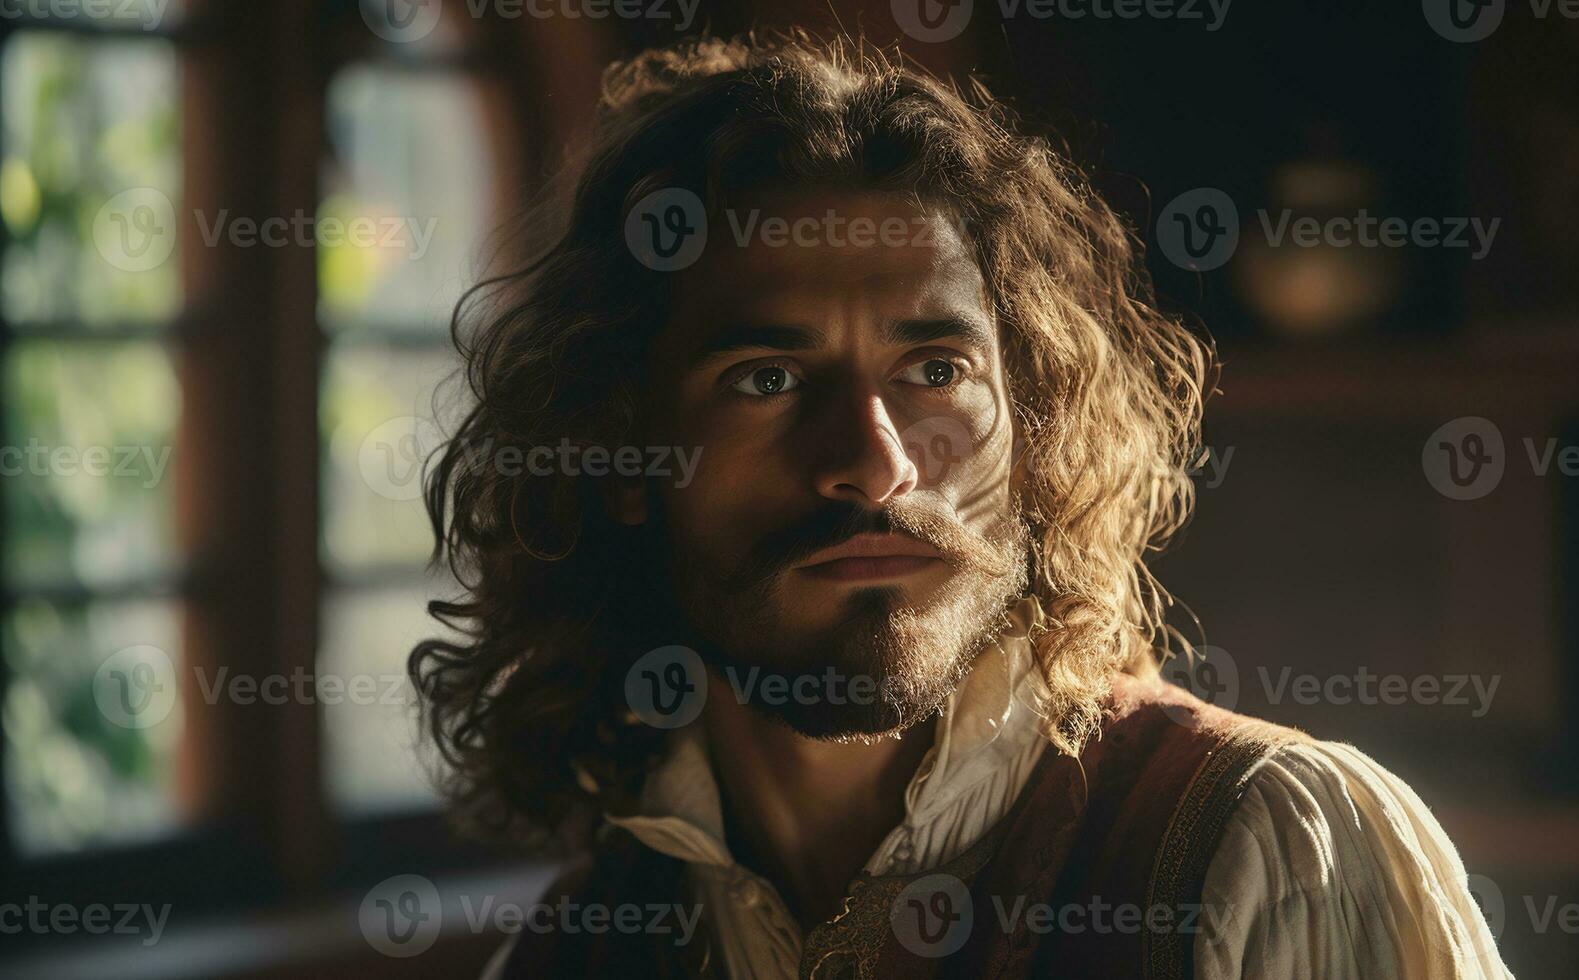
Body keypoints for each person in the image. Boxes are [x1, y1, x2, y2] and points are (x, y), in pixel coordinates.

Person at [410, 32, 1513, 979]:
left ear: (1033, 418)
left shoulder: (1264, 846)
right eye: (767, 379)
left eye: (935, 369)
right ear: (622, 452)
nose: (875, 462)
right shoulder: (576, 951)